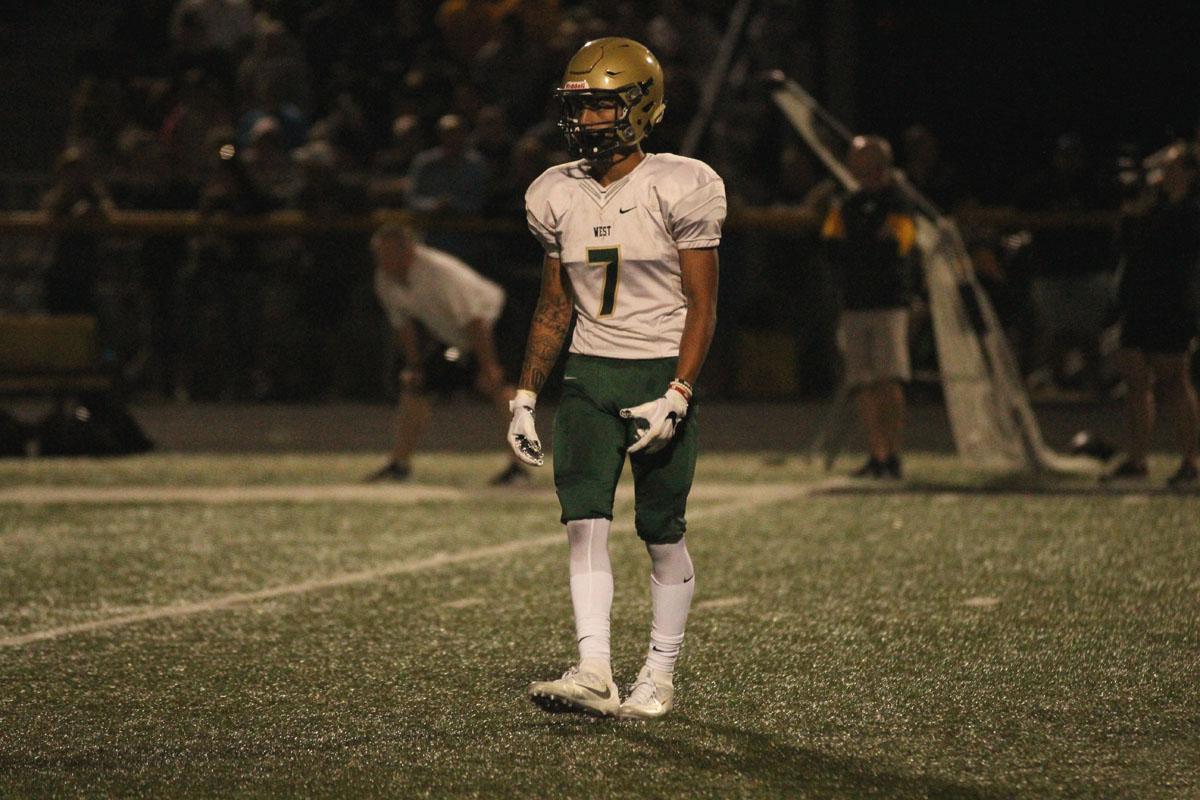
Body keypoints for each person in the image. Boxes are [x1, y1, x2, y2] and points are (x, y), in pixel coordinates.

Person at [506, 37, 725, 720]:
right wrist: (524, 396)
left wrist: (679, 391)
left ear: (641, 105)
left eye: (603, 104)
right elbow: (555, 304)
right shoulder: (552, 191)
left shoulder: (683, 182)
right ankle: (595, 667)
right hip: (588, 378)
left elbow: (703, 305)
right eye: (581, 106)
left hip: (659, 371)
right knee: (583, 523)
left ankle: (658, 673)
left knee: (661, 529)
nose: (590, 120)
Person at [368, 223, 530, 486]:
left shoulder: (438, 272)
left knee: (502, 388)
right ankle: (399, 465)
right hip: (459, 335)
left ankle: (519, 466)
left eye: (387, 254)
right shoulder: (385, 279)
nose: (382, 261)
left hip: (497, 324)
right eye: (379, 255)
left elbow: (476, 320)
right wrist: (416, 365)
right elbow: (403, 325)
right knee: (417, 386)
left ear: (407, 251)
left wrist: (488, 367)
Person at [820, 135, 918, 479]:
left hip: (888, 301)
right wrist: (865, 246)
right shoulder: (847, 203)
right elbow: (831, 246)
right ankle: (876, 453)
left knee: (889, 378)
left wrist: (859, 247)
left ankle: (893, 453)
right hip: (854, 301)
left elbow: (896, 246)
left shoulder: (899, 202)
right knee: (862, 380)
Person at [1105, 142, 1200, 488]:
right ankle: (1137, 459)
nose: (1165, 172)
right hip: (1139, 299)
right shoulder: (1152, 206)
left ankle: (1190, 459)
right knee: (1135, 379)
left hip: (1171, 301)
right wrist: (1134, 214)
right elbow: (1125, 244)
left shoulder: (1191, 210)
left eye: (1174, 166)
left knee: (1174, 379)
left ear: (1189, 172)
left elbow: (1179, 252)